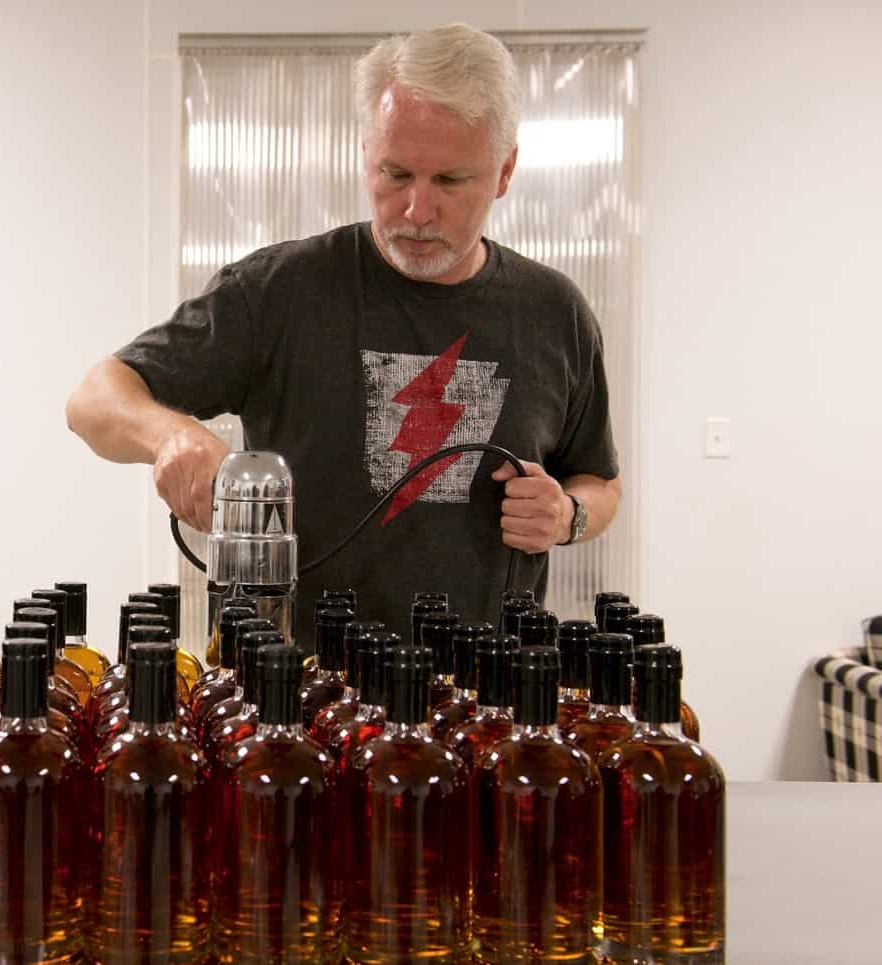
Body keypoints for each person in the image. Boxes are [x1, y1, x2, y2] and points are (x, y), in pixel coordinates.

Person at [65, 23, 622, 647]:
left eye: (448, 182)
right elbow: (94, 399)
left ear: (505, 170)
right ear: (366, 155)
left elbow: (598, 483)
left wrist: (567, 517)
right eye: (396, 173)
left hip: (480, 699)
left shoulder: (555, 312)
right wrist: (169, 435)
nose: (415, 209)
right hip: (293, 695)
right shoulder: (280, 290)